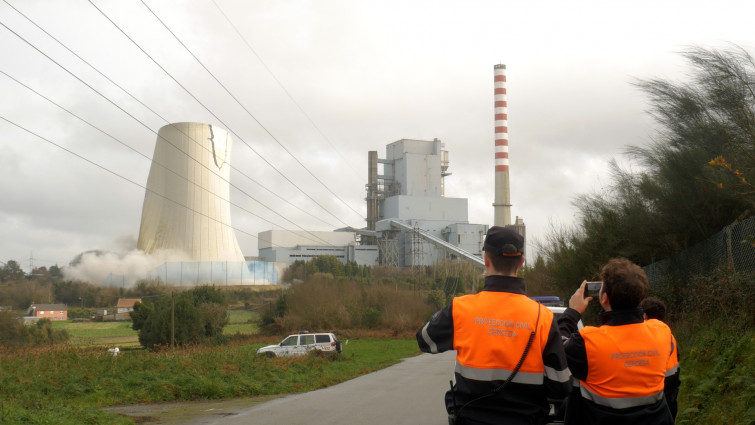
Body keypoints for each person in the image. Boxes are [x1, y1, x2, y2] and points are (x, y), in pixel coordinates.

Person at [416, 226, 571, 425]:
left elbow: (424, 340)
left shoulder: (460, 308)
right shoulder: (543, 317)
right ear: (521, 263)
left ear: (486, 260)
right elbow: (560, 387)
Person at [558, 258, 678, 425]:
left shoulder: (587, 343)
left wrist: (572, 311)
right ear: (640, 295)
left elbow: (556, 344)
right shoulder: (662, 332)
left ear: (604, 298)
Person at [640, 297, 680, 420]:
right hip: (672, 382)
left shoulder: (643, 331)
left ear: (644, 315)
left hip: (654, 386)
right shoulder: (669, 334)